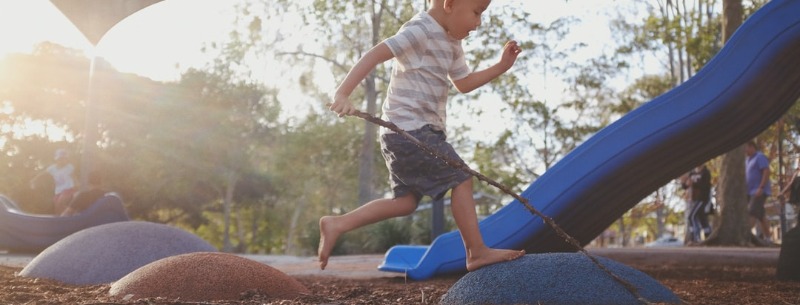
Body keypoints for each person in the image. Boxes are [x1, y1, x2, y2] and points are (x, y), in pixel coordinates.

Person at [321, 0, 525, 271]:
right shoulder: (421, 29)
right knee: (461, 178)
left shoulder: (452, 42)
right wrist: (342, 93)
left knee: (404, 203)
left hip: (414, 133)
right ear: (450, 4)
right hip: (409, 129)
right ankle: (476, 252)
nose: (478, 23)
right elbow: (375, 54)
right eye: (477, 12)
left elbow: (462, 83)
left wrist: (501, 67)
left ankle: (337, 223)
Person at [30, 148, 77, 215]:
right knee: (56, 204)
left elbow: (73, 177)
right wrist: (34, 180)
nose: (62, 161)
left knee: (61, 201)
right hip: (58, 191)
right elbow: (43, 174)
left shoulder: (69, 167)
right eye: (60, 159)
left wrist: (77, 185)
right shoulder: (52, 168)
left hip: (69, 189)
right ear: (56, 159)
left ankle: (64, 217)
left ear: (67, 160)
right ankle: (59, 218)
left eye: (64, 159)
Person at [745, 140, 772, 242]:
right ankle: (768, 238)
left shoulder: (760, 157)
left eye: (745, 147)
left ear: (751, 146)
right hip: (749, 192)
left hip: (758, 191)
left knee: (751, 212)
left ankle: (746, 237)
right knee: (761, 216)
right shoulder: (747, 160)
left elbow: (766, 171)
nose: (744, 150)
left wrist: (761, 187)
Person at [681, 164, 712, 242]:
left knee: (692, 216)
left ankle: (695, 238)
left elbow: (705, 186)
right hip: (692, 199)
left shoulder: (705, 172)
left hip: (702, 199)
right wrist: (684, 182)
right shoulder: (692, 173)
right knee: (702, 218)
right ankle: (708, 236)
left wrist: (694, 184)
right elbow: (686, 186)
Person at [779, 156, 800, 226]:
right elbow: (790, 184)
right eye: (798, 163)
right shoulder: (796, 173)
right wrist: (782, 192)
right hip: (795, 201)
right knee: (793, 221)